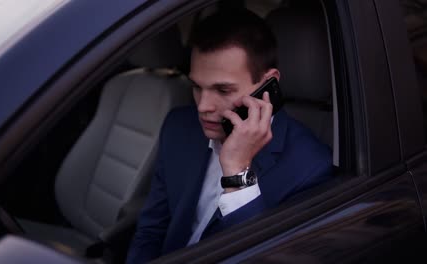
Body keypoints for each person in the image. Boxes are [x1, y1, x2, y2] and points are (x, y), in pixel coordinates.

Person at [126, 8, 332, 263]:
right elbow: (151, 230)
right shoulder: (179, 127)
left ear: (268, 84)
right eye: (197, 87)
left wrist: (238, 173)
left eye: (223, 89)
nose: (203, 106)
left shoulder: (311, 168)